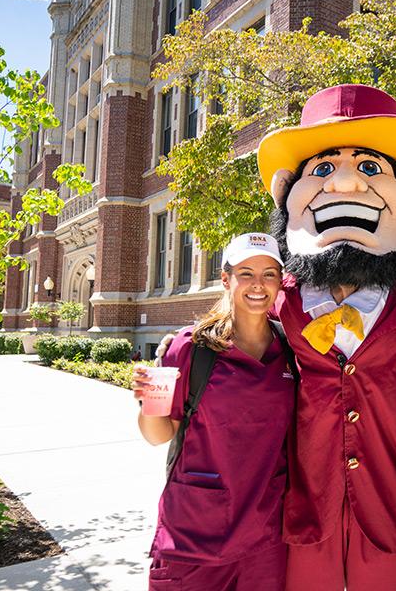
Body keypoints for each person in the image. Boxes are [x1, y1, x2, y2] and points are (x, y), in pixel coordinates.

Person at [147, 85, 396, 591]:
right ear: (288, 191)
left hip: (386, 507)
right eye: (324, 169)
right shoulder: (279, 296)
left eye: (371, 168)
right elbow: (237, 320)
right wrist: (179, 347)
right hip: (306, 505)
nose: (347, 185)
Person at [132, 233, 294, 591]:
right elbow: (159, 435)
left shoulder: (291, 351)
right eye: (246, 273)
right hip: (193, 537)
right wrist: (148, 403)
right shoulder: (190, 348)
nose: (258, 284)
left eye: (269, 274)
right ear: (225, 279)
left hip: (265, 538)